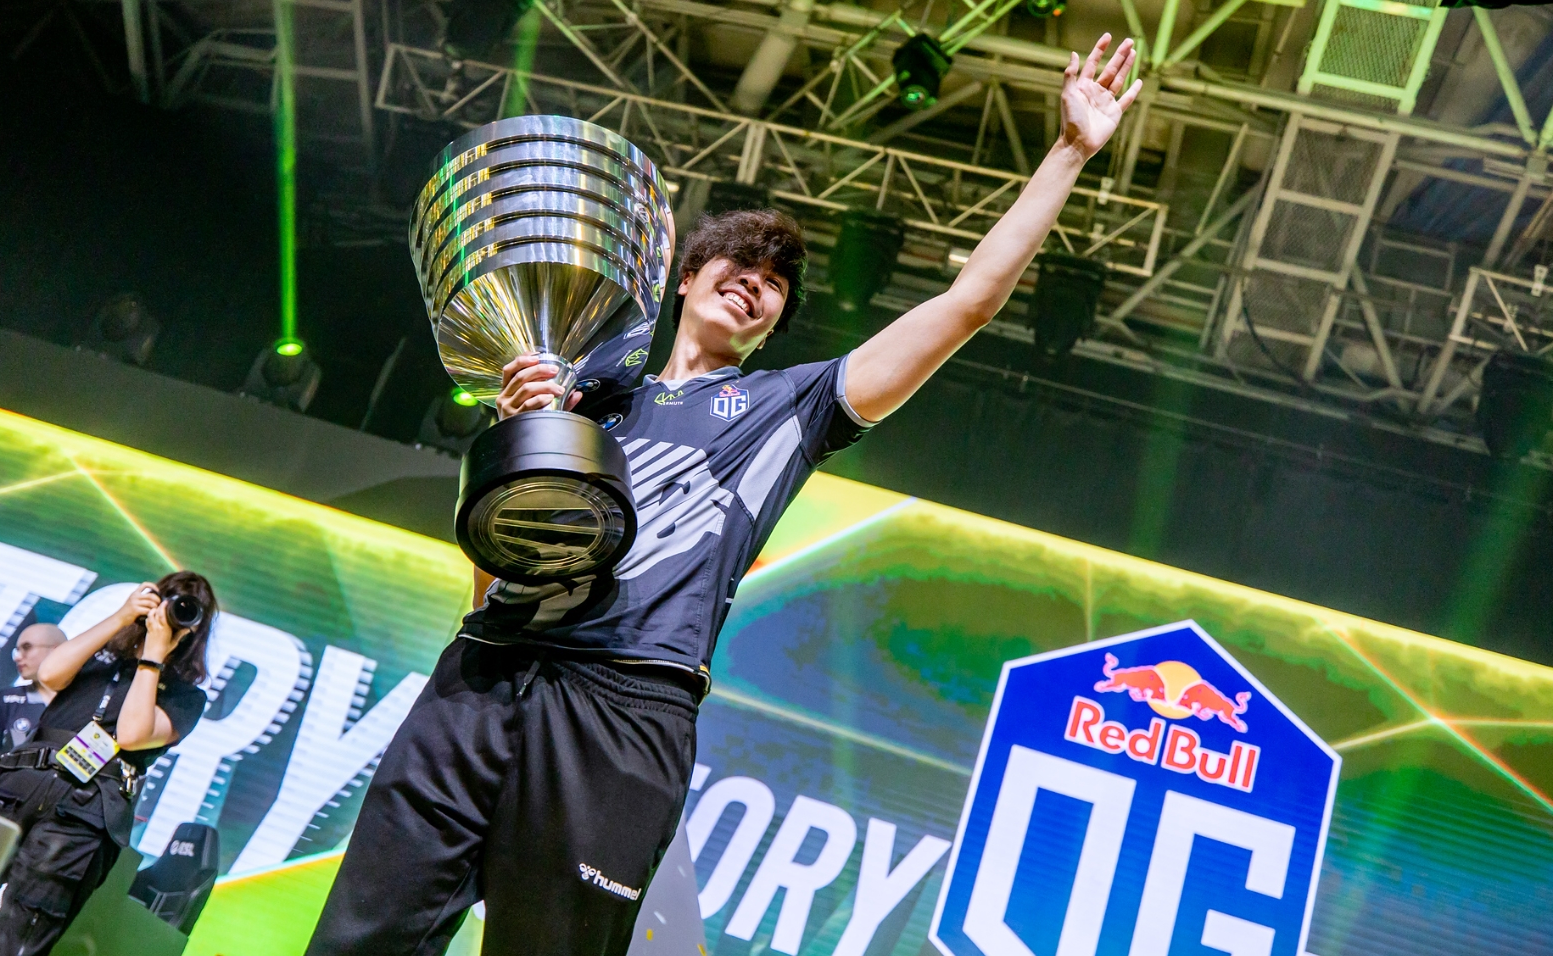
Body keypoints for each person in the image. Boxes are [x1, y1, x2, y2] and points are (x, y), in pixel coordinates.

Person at [307, 34, 1141, 956]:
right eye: (740, 263)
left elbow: (967, 304)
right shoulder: (587, 399)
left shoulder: (793, 407)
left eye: (777, 284)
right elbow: (495, 565)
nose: (758, 283)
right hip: (481, 675)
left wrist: (1068, 153)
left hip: (624, 706)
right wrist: (520, 447)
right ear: (683, 279)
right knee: (360, 939)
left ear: (776, 324)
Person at [0, 572, 216, 956]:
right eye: (165, 600)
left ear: (195, 628)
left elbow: (132, 735)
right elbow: (49, 674)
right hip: (17, 783)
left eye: (184, 610)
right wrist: (123, 616)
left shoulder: (186, 696)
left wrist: (153, 657)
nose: (168, 614)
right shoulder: (101, 656)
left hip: (84, 809)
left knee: (22, 936)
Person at [0, 623, 68, 774]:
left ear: (55, 650)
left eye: (27, 648)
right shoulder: (6, 700)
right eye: (17, 650)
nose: (17, 657)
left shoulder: (87, 698)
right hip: (11, 784)